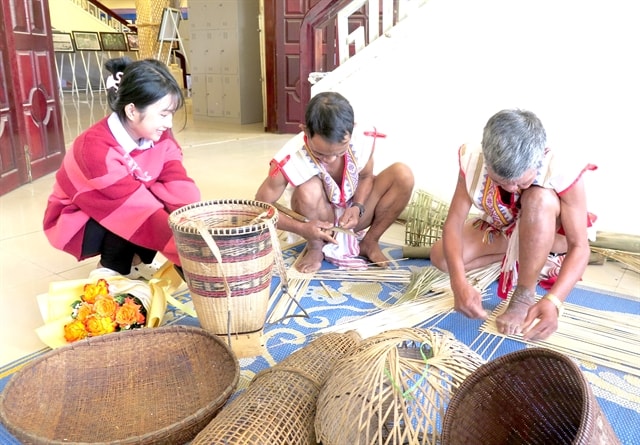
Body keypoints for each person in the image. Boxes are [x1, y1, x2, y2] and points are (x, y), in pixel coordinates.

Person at [430, 109, 596, 341]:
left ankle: (524, 292)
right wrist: (458, 283)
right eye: (500, 182)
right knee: (441, 257)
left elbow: (580, 246)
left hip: (552, 237)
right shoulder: (474, 158)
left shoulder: (560, 166)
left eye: (522, 182)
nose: (512, 190)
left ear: (538, 159)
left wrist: (554, 301)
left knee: (538, 199)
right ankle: (523, 260)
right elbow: (453, 225)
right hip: (505, 230)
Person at [43, 57, 201, 279]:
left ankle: (136, 261)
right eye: (164, 114)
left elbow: (177, 183)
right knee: (146, 208)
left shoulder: (158, 135)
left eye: (171, 114)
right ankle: (111, 270)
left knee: (163, 200)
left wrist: (198, 227)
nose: (169, 123)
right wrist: (192, 256)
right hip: (78, 222)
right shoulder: (94, 149)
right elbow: (135, 211)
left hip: (128, 204)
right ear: (132, 111)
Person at [256, 91, 414, 273]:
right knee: (308, 188)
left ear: (351, 129)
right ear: (305, 130)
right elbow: (261, 206)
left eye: (339, 152)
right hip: (319, 221)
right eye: (321, 153)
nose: (331, 159)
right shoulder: (289, 157)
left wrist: (358, 206)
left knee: (402, 174)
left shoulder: (361, 137)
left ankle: (370, 242)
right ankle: (315, 247)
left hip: (352, 217)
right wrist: (302, 228)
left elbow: (366, 176)